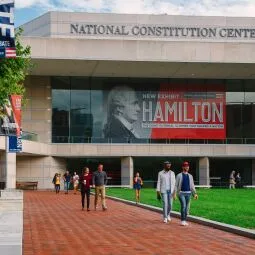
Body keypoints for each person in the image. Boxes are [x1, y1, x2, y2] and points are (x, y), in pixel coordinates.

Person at [174, 161, 198, 226]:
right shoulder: (179, 175)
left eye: (187, 166)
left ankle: (185, 219)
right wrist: (174, 194)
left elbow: (192, 186)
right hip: (181, 193)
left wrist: (195, 193)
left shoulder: (190, 176)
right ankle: (183, 220)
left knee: (187, 208)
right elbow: (176, 185)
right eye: (185, 166)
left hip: (188, 193)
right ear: (183, 167)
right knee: (183, 206)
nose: (187, 167)